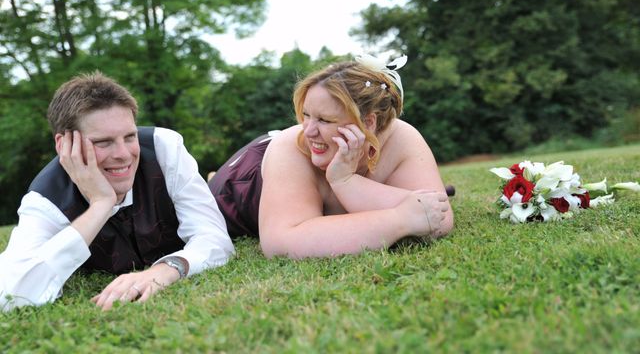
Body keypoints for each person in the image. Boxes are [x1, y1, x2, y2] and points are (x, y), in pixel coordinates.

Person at [0, 72, 234, 312]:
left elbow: (215, 239)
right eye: (103, 142)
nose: (123, 154)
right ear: (63, 145)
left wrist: (166, 270)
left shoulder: (165, 150)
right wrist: (101, 204)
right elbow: (11, 293)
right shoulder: (46, 198)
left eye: (130, 136)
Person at [209, 54, 454, 258]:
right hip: (242, 180)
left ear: (368, 123)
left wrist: (346, 181)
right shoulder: (292, 146)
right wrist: (399, 219)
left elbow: (438, 216)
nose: (308, 130)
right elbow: (280, 243)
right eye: (306, 115)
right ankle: (211, 177)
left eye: (325, 120)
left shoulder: (403, 138)